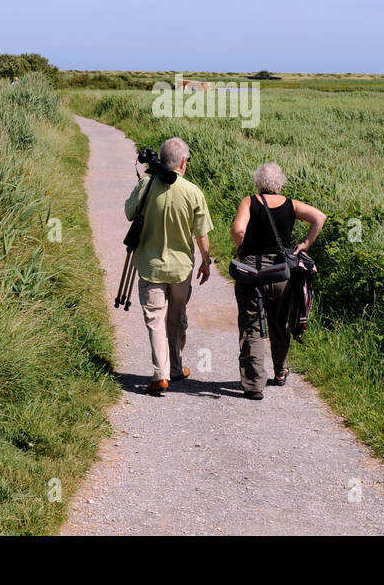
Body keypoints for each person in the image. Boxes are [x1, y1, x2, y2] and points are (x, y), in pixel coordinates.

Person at [124, 137, 213, 396]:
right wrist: (206, 263)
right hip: (181, 269)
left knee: (155, 320)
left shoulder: (145, 184)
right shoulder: (193, 191)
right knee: (175, 318)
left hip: (150, 266)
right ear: (183, 163)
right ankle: (175, 367)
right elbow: (202, 234)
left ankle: (162, 375)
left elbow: (129, 213)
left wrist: (141, 184)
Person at [229, 163, 325, 400]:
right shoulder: (291, 204)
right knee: (280, 321)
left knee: (252, 323)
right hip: (282, 270)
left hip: (252, 270)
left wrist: (241, 248)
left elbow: (238, 229)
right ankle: (280, 372)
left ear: (258, 183)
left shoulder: (249, 201)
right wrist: (305, 244)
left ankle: (253, 384)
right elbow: (319, 217)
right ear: (280, 184)